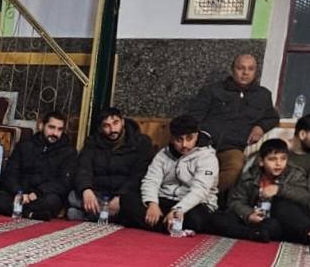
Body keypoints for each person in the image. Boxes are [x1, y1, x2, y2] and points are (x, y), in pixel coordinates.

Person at [187, 54, 279, 194]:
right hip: (203, 145)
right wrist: (197, 140)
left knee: (235, 167)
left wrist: (260, 127)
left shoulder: (263, 95)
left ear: (256, 71)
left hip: (232, 148)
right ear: (232, 70)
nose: (245, 72)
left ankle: (205, 196)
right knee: (192, 169)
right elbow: (194, 116)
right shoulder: (212, 90)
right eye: (240, 68)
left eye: (251, 69)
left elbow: (272, 117)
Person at [121, 114, 218, 234]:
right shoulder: (163, 155)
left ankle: (158, 224)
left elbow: (200, 190)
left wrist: (178, 209)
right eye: (179, 140)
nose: (184, 145)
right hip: (165, 199)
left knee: (196, 219)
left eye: (189, 139)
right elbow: (151, 180)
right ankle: (172, 226)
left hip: (194, 204)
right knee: (127, 200)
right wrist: (152, 203)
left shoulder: (207, 157)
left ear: (197, 136)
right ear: (172, 138)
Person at [209, 138, 310, 243]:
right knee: (218, 219)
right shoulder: (250, 176)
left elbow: (305, 198)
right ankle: (255, 234)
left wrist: (279, 190)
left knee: (280, 210)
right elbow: (235, 201)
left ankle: (306, 233)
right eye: (272, 159)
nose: (278, 163)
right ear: (261, 162)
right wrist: (249, 214)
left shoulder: (295, 174)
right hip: (258, 219)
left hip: (284, 220)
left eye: (283, 159)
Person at [0, 110, 76, 220]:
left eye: (59, 129)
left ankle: (13, 210)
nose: (55, 133)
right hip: (19, 193)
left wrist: (37, 193)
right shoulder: (25, 146)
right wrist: (19, 193)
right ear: (41, 126)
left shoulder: (68, 152)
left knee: (52, 201)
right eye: (51, 127)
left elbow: (63, 182)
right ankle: (30, 214)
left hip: (43, 196)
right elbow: (10, 173)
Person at [68, 106, 152, 223]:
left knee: (131, 205)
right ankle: (108, 215)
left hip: (124, 196)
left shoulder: (140, 142)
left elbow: (139, 175)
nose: (112, 129)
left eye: (115, 123)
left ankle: (95, 214)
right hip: (99, 193)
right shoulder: (93, 142)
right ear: (100, 128)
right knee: (72, 197)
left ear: (122, 122)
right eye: (106, 126)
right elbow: (83, 168)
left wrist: (120, 197)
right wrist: (86, 190)